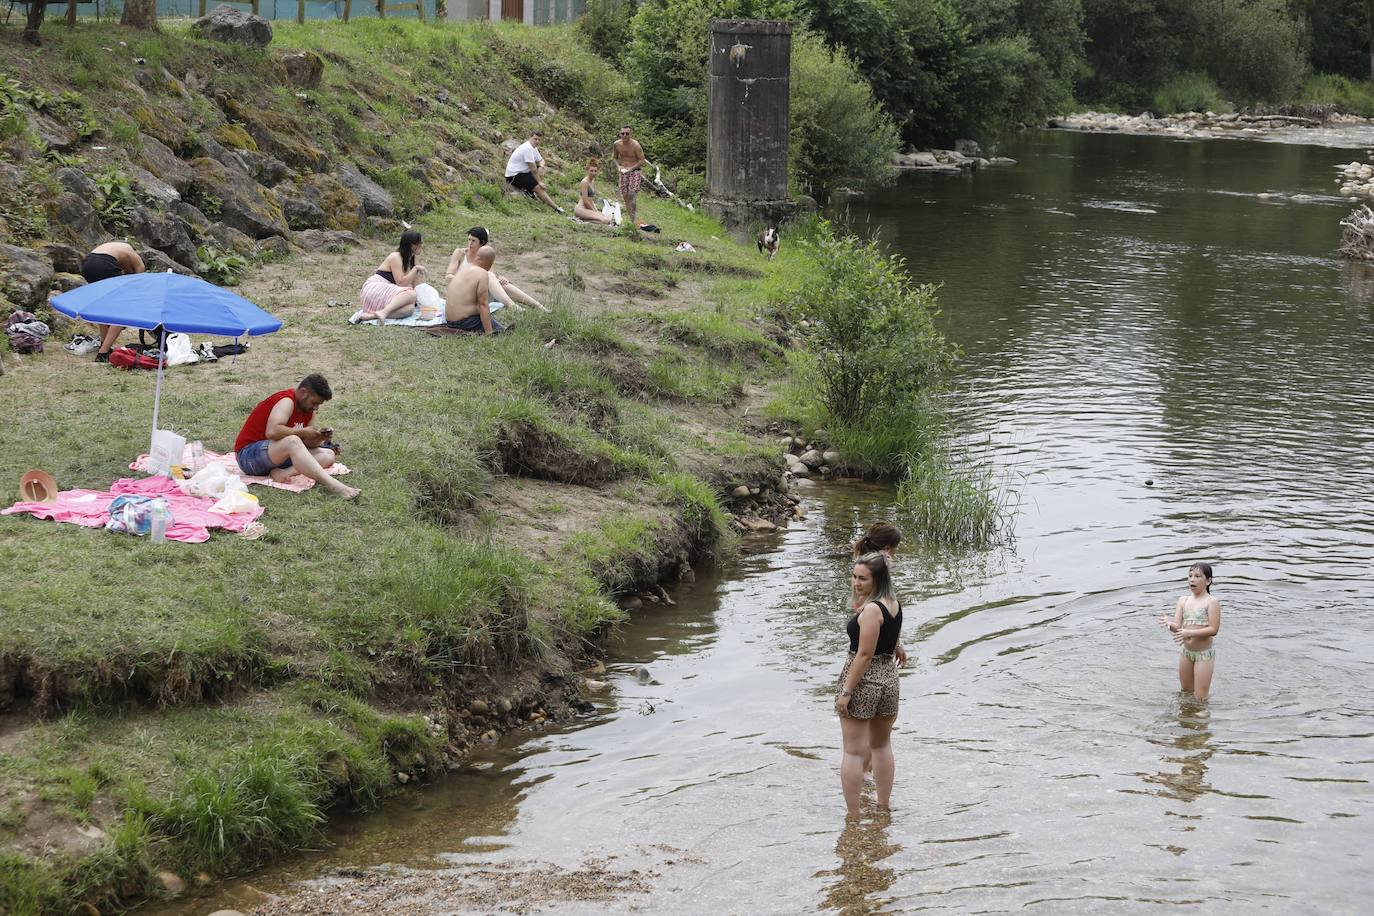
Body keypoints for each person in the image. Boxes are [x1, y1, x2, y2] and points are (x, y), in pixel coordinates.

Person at [835, 551, 903, 818]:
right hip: (888, 678)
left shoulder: (872, 609)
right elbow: (887, 634)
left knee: (853, 752)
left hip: (864, 680)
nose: (856, 583)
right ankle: (883, 806)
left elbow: (864, 654)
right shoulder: (892, 603)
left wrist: (846, 691)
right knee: (881, 745)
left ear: (878, 579)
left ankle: (852, 815)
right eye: (854, 577)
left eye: (862, 579)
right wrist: (897, 645)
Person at [233, 374, 359, 499]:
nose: (316, 407)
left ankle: (284, 473)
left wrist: (319, 438)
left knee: (328, 455)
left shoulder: (308, 411)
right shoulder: (286, 401)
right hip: (248, 457)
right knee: (292, 441)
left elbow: (303, 444)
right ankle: (334, 486)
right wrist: (303, 432)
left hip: (276, 458)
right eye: (314, 402)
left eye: (318, 404)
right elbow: (272, 432)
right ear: (303, 392)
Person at [443, 226, 545, 312]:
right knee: (489, 276)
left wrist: (499, 279)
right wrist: (468, 277)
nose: (470, 243)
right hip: (463, 292)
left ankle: (538, 307)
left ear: (482, 243)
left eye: (473, 241)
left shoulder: (486, 255)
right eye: (469, 239)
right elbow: (448, 277)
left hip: (480, 292)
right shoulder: (460, 253)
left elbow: (491, 277)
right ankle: (512, 306)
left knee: (502, 283)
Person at [1160, 562, 1222, 702]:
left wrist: (1190, 633)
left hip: (1203, 655)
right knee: (1186, 692)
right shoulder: (1183, 601)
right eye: (1190, 576)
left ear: (1208, 581)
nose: (1192, 579)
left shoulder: (1211, 602)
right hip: (1186, 653)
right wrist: (1169, 624)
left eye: (1197, 576)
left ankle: (1201, 721)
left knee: (1200, 698)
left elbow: (1214, 629)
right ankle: (1186, 720)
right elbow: (1178, 627)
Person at [79, 241, 144, 362]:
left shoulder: (118, 249)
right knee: (122, 312)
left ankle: (104, 345)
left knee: (103, 308)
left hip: (87, 263)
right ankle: (103, 353)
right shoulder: (135, 258)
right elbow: (138, 281)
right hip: (104, 263)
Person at [358, 230, 425, 322]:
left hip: (386, 293)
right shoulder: (396, 257)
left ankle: (372, 316)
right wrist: (415, 269)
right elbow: (401, 283)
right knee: (411, 294)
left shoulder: (409, 261)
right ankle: (385, 311)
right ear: (412, 245)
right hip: (375, 289)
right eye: (419, 243)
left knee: (410, 308)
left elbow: (416, 287)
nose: (421, 246)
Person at [445, 245, 505, 335]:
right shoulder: (482, 273)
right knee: (500, 330)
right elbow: (483, 304)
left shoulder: (464, 268)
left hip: (450, 321)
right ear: (489, 263)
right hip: (464, 322)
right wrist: (489, 332)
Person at [504, 131, 564, 214]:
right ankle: (556, 208)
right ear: (530, 138)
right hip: (514, 175)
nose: (537, 141)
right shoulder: (527, 148)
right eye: (535, 139)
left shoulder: (533, 148)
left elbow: (541, 160)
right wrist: (539, 182)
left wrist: (541, 167)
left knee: (541, 169)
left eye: (539, 140)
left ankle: (530, 190)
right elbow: (533, 168)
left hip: (523, 172)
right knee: (539, 187)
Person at [612, 125, 649, 229]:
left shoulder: (635, 145)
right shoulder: (616, 144)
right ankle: (632, 220)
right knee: (625, 195)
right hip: (623, 171)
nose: (624, 135)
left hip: (635, 171)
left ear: (630, 134)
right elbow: (614, 157)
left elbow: (642, 160)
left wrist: (631, 169)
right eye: (622, 133)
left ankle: (633, 220)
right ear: (619, 134)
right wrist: (618, 167)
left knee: (632, 194)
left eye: (627, 133)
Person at [574, 158, 615, 225]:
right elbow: (585, 201)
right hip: (581, 209)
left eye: (595, 171)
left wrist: (595, 210)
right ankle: (582, 219)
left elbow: (591, 200)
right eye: (591, 171)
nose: (593, 173)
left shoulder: (592, 181)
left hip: (589, 208)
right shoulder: (584, 182)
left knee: (609, 218)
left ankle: (586, 219)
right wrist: (594, 212)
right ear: (587, 171)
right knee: (605, 220)